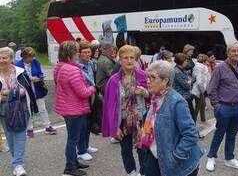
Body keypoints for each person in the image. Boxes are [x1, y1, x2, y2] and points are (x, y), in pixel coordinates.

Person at [141, 60, 204, 176]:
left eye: (153, 78)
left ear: (165, 81)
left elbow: (191, 134)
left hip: (175, 164)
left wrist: (175, 158)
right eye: (148, 77)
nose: (148, 81)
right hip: (156, 155)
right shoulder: (156, 98)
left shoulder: (177, 102)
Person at [102, 45, 149, 176]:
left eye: (132, 58)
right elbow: (109, 106)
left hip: (141, 119)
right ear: (120, 60)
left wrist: (145, 92)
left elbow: (153, 94)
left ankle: (144, 172)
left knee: (143, 149)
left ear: (135, 59)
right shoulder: (113, 80)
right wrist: (114, 127)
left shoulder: (142, 75)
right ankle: (132, 173)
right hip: (122, 121)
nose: (129, 61)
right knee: (126, 149)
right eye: (125, 58)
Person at [54, 41, 96, 176]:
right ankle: (70, 167)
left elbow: (58, 84)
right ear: (70, 54)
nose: (78, 53)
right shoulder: (72, 69)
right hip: (74, 109)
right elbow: (83, 92)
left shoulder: (59, 67)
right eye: (76, 51)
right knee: (73, 140)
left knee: (73, 138)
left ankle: (73, 162)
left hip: (66, 106)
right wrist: (93, 88)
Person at [206, 42, 238, 172]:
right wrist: (216, 106)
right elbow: (211, 89)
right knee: (219, 133)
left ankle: (229, 159)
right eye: (233, 51)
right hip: (224, 107)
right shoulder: (220, 68)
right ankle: (211, 157)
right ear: (228, 53)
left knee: (232, 134)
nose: (236, 53)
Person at [0, 47, 38, 176]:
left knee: (20, 136)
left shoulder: (20, 72)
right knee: (9, 137)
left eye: (4, 58)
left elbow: (25, 91)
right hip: (3, 110)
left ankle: (17, 164)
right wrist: (11, 94)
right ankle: (16, 160)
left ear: (11, 59)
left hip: (22, 108)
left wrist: (7, 93)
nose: (1, 60)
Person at [15, 47, 57, 138]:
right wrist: (30, 78)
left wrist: (41, 77)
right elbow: (17, 78)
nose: (32, 58)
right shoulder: (18, 65)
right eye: (31, 57)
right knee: (28, 110)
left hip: (37, 88)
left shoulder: (35, 62)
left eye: (33, 56)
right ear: (25, 56)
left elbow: (40, 72)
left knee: (42, 108)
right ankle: (30, 129)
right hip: (25, 91)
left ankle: (47, 126)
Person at [76, 41, 98, 161]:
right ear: (79, 54)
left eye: (89, 51)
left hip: (90, 95)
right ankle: (81, 150)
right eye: (84, 52)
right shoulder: (77, 66)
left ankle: (86, 145)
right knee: (82, 125)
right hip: (82, 97)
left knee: (88, 122)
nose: (88, 54)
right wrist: (93, 87)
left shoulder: (91, 64)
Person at [173, 53, 195, 121]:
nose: (187, 62)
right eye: (185, 61)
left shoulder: (181, 69)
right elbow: (187, 86)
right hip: (183, 97)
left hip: (186, 96)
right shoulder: (177, 72)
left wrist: (189, 80)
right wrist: (190, 81)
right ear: (181, 61)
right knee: (189, 117)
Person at [191, 54, 210, 123]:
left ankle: (203, 119)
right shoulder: (202, 68)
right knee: (198, 106)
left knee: (202, 104)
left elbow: (194, 77)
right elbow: (200, 81)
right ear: (204, 61)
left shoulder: (198, 66)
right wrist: (203, 89)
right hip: (199, 89)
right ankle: (194, 121)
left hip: (199, 88)